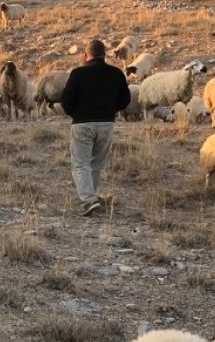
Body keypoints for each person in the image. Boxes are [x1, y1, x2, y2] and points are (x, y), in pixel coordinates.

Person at [61, 39, 130, 217]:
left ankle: (88, 201)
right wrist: (110, 110)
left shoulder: (77, 74)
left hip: (82, 124)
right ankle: (91, 197)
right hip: (107, 124)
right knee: (97, 163)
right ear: (104, 54)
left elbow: (66, 101)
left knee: (80, 162)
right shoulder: (116, 73)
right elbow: (126, 100)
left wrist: (75, 113)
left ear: (86, 55)